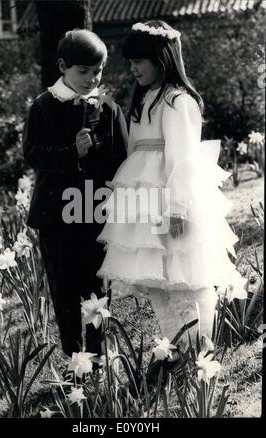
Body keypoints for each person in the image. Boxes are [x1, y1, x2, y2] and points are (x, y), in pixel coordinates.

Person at [96, 21, 247, 342]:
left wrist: (179, 207)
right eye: (131, 62)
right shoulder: (144, 99)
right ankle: (174, 346)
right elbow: (134, 148)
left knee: (184, 276)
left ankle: (198, 344)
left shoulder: (177, 101)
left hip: (172, 200)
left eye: (140, 61)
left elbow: (183, 159)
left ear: (161, 58)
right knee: (156, 282)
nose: (133, 68)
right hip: (145, 202)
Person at [22, 29, 128, 359]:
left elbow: (121, 159)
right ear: (62, 66)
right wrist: (72, 152)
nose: (91, 78)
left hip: (94, 211)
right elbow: (33, 153)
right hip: (56, 216)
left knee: (97, 290)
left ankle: (96, 360)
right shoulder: (43, 106)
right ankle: (74, 361)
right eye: (83, 71)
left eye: (97, 71)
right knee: (65, 293)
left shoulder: (108, 108)